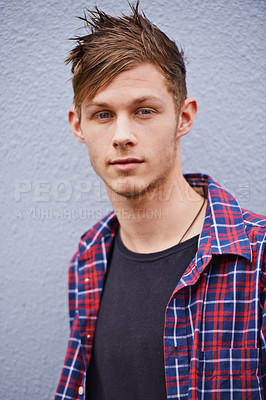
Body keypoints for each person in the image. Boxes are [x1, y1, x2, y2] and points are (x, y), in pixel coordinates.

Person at [54, 2, 266, 399]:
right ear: (77, 125)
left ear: (183, 117)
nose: (122, 135)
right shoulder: (87, 258)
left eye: (144, 111)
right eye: (102, 114)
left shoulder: (258, 256)